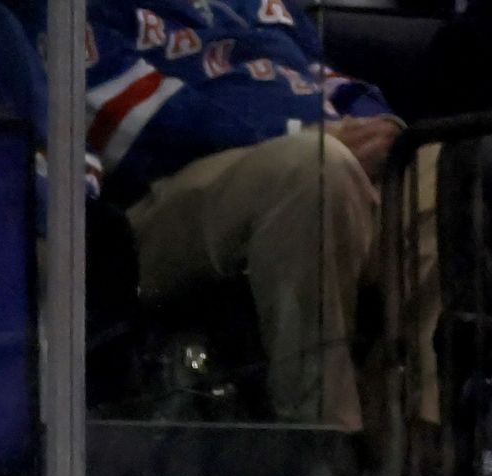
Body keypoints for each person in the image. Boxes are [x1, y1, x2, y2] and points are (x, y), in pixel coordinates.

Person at [55, 0, 402, 427]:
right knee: (315, 168)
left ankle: (427, 448)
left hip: (316, 153)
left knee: (438, 168)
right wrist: (297, 134)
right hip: (160, 201)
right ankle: (322, 446)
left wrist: (379, 129)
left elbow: (317, 76)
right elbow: (131, 120)